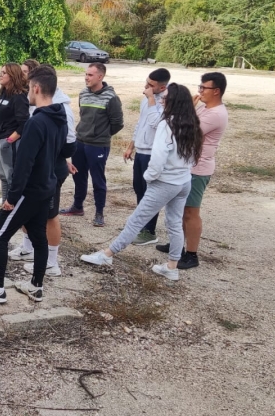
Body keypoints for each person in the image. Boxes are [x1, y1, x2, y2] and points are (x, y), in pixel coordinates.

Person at [80, 83, 203, 281]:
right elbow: (191, 158)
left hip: (165, 182)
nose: (162, 99)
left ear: (174, 102)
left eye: (166, 97)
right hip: (183, 182)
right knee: (173, 223)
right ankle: (172, 266)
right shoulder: (192, 124)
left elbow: (159, 157)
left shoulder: (167, 124)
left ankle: (107, 254)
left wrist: (149, 177)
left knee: (136, 220)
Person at [0, 65, 67, 305]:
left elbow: (24, 164)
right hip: (46, 188)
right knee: (38, 237)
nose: (26, 94)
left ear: (36, 88)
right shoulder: (60, 117)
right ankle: (36, 286)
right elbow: (61, 152)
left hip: (29, 192)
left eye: (28, 89)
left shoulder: (36, 123)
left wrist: (11, 198)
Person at [156, 72, 229, 269]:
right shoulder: (205, 109)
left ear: (216, 91)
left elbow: (187, 130)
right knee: (180, 210)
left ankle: (191, 254)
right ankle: (177, 246)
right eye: (199, 86)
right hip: (190, 166)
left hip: (199, 169)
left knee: (190, 212)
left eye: (203, 88)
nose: (199, 91)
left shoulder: (216, 114)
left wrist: (188, 109)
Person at [11, 62, 77, 276]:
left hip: (51, 171)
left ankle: (52, 262)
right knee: (32, 213)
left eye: (28, 79)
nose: (26, 84)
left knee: (50, 215)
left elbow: (69, 144)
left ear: (39, 85)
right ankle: (29, 248)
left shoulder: (62, 108)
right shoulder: (40, 105)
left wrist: (50, 153)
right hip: (40, 170)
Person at [61, 62, 124, 227]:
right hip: (80, 142)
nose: (86, 78)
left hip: (98, 145)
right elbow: (83, 116)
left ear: (100, 76)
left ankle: (99, 213)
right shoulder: (83, 93)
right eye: (86, 74)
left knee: (98, 179)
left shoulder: (111, 98)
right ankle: (77, 206)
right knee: (78, 176)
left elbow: (117, 123)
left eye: (90, 75)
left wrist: (101, 135)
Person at [122, 68, 170, 246]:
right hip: (141, 151)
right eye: (146, 83)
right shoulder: (147, 99)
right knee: (139, 189)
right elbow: (141, 123)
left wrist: (151, 99)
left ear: (162, 87)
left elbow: (154, 123)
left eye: (151, 85)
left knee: (151, 193)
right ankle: (139, 225)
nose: (146, 88)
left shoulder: (167, 101)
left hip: (153, 153)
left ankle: (149, 231)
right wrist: (131, 146)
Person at [0, 63, 29, 219]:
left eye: (3, 73)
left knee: (11, 176)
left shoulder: (19, 96)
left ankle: (14, 210)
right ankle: (5, 207)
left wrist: (10, 139)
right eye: (0, 72)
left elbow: (24, 122)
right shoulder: (3, 92)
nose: (0, 75)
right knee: (2, 175)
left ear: (12, 76)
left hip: (7, 142)